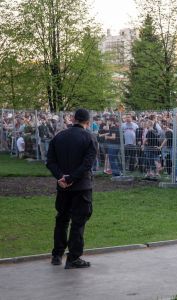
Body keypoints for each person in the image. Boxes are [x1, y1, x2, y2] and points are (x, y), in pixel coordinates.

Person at [46, 109, 97, 269]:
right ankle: (73, 257)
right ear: (87, 122)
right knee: (78, 222)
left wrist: (61, 177)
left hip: (63, 186)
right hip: (81, 186)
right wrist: (71, 178)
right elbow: (87, 164)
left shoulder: (59, 137)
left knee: (61, 219)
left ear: (73, 119)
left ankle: (57, 254)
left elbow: (50, 161)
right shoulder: (89, 137)